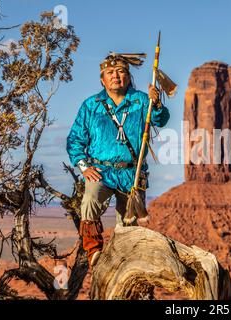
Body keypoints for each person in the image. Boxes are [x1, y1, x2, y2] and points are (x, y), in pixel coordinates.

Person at [66, 53, 170, 267]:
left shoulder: (141, 100)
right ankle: (93, 248)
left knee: (128, 223)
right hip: (100, 171)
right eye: (110, 73)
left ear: (129, 77)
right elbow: (74, 140)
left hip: (132, 172)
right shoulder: (91, 105)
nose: (116, 76)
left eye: (121, 72)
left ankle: (126, 263)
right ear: (102, 79)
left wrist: (157, 103)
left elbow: (161, 119)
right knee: (90, 199)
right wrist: (84, 167)